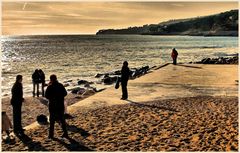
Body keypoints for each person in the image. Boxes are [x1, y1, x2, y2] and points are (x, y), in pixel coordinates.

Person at [45, 74, 69, 139]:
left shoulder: (50, 87)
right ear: (56, 78)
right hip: (60, 105)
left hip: (52, 106)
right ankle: (65, 133)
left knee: (52, 121)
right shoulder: (60, 85)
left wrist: (52, 98)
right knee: (62, 120)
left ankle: (51, 135)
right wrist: (60, 97)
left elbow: (46, 96)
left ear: (50, 79)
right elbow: (65, 93)